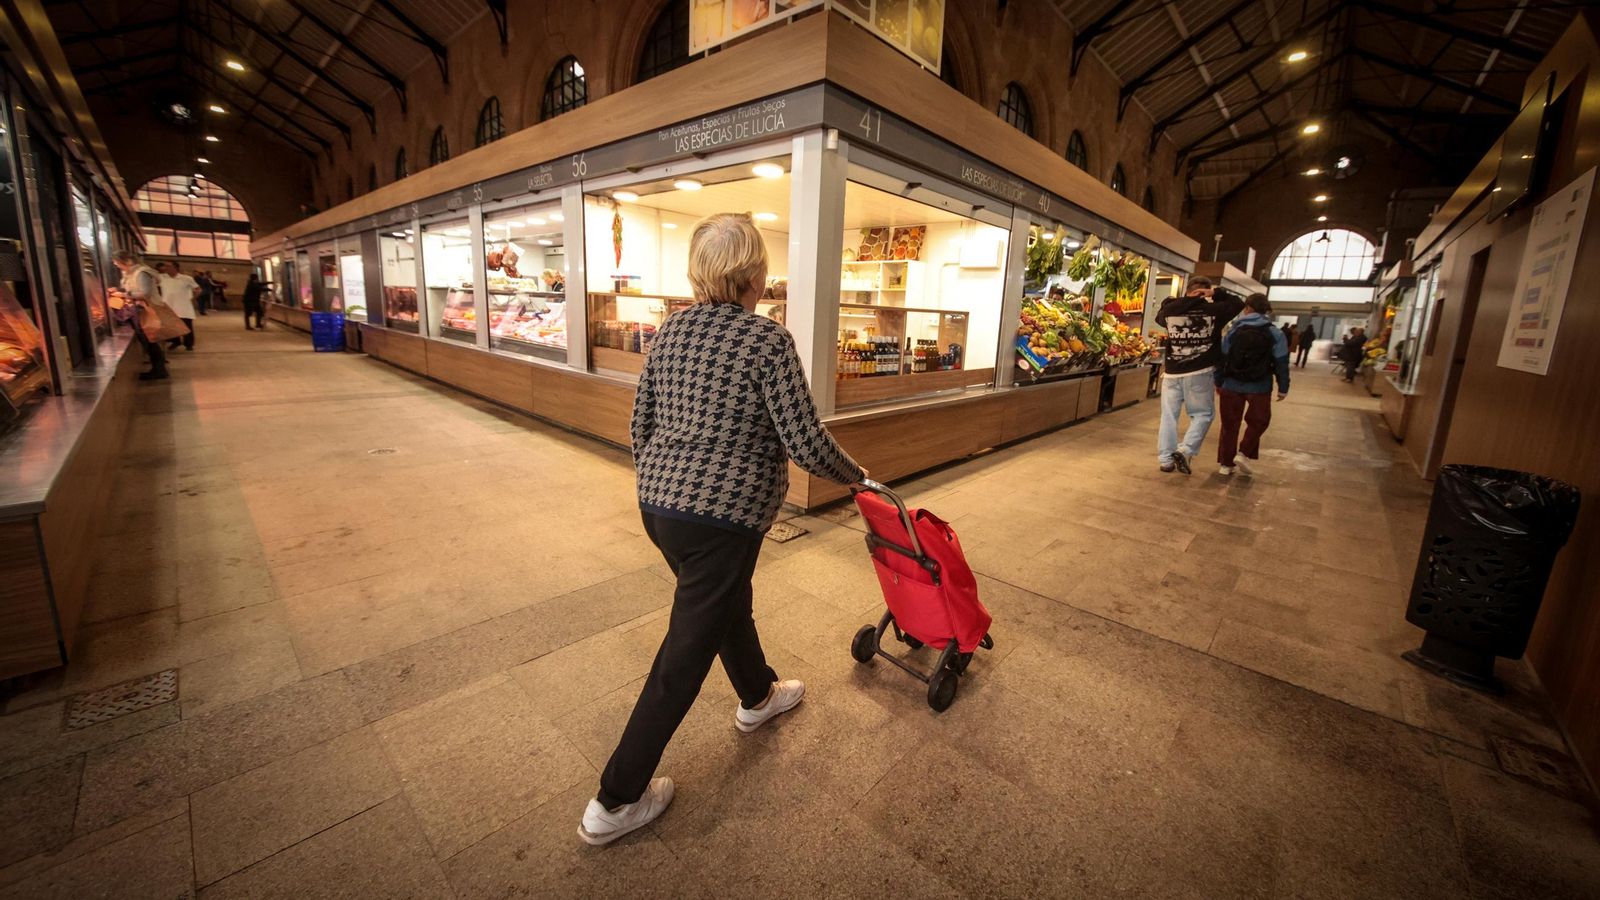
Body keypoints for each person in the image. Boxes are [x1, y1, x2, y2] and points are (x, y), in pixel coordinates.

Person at [580, 213, 867, 846]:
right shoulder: (766, 341)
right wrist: (859, 477)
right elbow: (804, 440)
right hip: (723, 518)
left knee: (725, 603)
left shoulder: (672, 331)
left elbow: (641, 423)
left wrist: (660, 483)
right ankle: (616, 799)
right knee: (684, 652)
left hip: (661, 508)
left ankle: (758, 696)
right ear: (754, 274)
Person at [1153, 275, 1245, 474]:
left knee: (1169, 416)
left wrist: (1184, 299)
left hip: (1171, 373)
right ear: (1206, 292)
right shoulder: (1214, 311)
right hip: (1200, 373)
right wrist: (1215, 294)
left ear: (1187, 290)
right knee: (1203, 414)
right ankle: (1185, 449)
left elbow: (1160, 313)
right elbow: (1237, 303)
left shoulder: (1171, 311)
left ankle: (1166, 460)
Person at [1216, 294, 1290, 476]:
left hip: (1231, 383)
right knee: (1259, 421)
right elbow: (1281, 361)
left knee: (1229, 425)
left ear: (1248, 308)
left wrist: (1218, 381)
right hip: (1260, 385)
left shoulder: (1233, 331)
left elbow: (1222, 357)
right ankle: (1243, 453)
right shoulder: (1275, 333)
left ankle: (1226, 464)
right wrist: (1283, 386)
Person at [110, 250, 168, 380]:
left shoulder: (142, 273)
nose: (117, 265)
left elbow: (144, 293)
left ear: (127, 261)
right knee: (148, 341)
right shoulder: (131, 273)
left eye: (118, 263)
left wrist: (124, 294)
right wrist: (119, 290)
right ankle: (158, 368)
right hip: (139, 310)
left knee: (150, 341)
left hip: (145, 310)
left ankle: (159, 370)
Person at [156, 261, 199, 351]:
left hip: (183, 307)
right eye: (165, 266)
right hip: (169, 306)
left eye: (168, 266)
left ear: (175, 268)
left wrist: (192, 298)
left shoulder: (186, 278)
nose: (165, 268)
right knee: (172, 326)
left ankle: (188, 344)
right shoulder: (161, 278)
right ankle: (175, 342)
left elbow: (198, 289)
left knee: (186, 326)